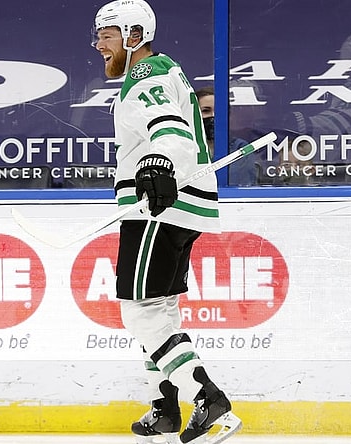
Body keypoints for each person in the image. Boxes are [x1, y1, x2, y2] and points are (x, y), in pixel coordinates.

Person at [92, 2, 241, 444]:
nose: (99, 43)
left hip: (159, 206)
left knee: (139, 313)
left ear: (135, 35)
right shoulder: (161, 72)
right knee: (159, 312)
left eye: (108, 33)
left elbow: (169, 126)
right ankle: (165, 406)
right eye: (98, 34)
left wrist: (157, 164)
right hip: (176, 204)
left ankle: (207, 399)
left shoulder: (147, 73)